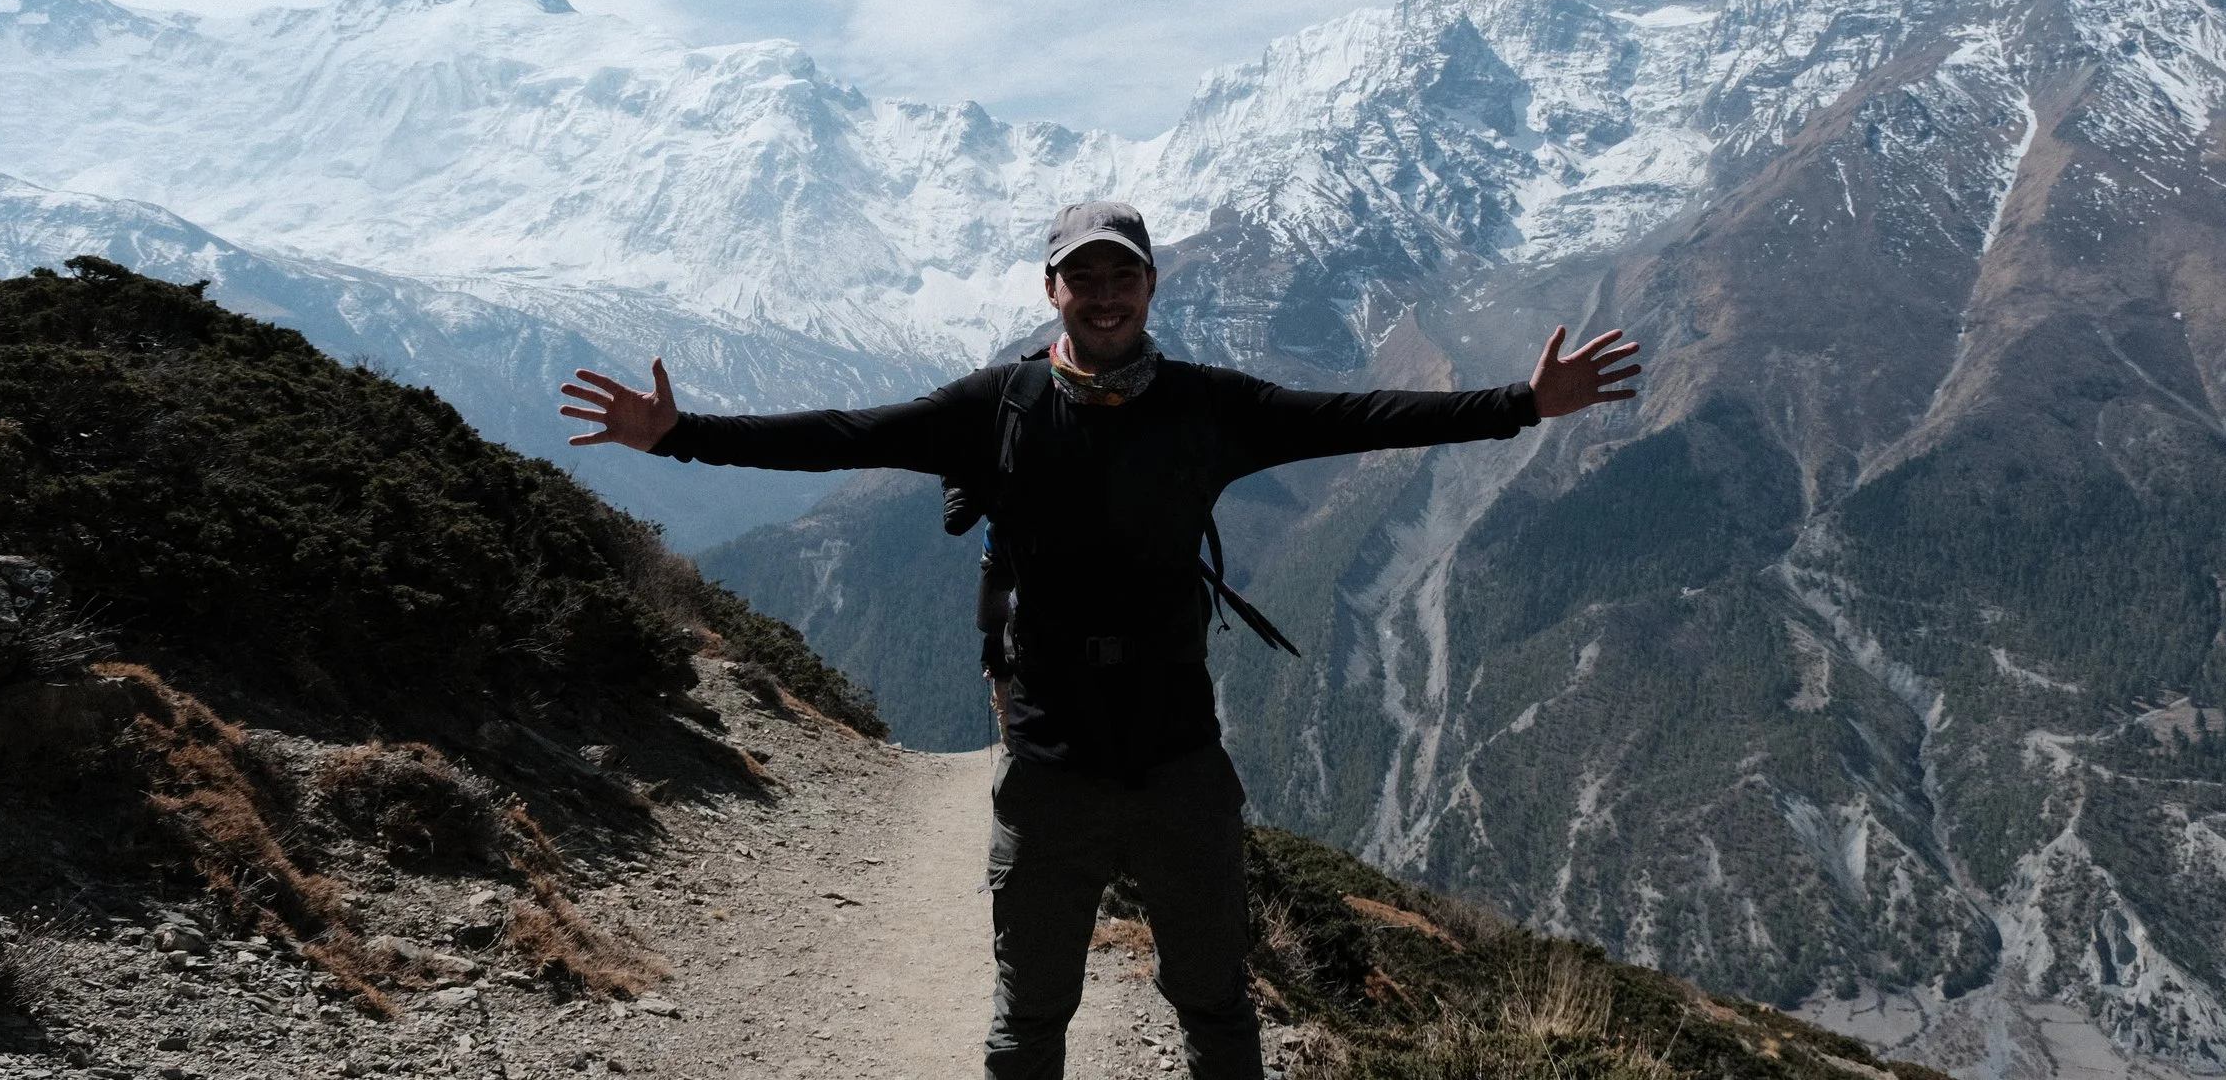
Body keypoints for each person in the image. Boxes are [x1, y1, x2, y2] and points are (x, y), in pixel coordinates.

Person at [558, 200, 1642, 1080]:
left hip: (1178, 755)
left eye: (1122, 274)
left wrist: (1521, 405)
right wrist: (682, 437)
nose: (1105, 294)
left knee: (1216, 1002)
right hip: (1052, 757)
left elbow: (1354, 417)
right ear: (1052, 292)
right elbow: (849, 433)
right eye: (1084, 276)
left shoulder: (1210, 405)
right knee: (1030, 1012)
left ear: (1150, 286)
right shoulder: (999, 405)